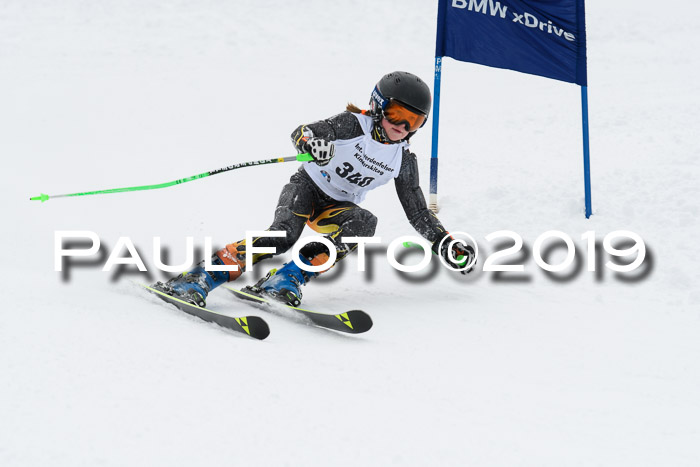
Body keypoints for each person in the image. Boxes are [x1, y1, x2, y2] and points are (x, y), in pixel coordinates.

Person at [153, 71, 475, 307]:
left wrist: (444, 243)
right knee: (283, 236)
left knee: (365, 223)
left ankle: (287, 278)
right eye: (396, 114)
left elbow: (417, 210)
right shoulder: (352, 125)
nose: (402, 127)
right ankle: (200, 277)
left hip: (335, 207)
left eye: (414, 121)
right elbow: (303, 131)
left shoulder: (403, 159)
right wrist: (313, 143)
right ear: (378, 107)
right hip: (307, 188)